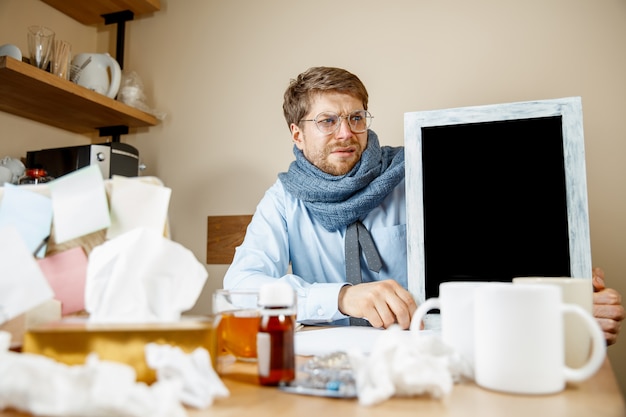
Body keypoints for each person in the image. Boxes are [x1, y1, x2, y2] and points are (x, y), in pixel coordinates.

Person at [223, 66, 624, 344]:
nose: (346, 133)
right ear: (297, 134)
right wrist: (343, 296)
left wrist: (566, 296)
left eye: (356, 117)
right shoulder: (283, 200)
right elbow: (241, 288)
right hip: (333, 361)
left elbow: (495, 254)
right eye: (327, 121)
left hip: (430, 349)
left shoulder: (417, 171)